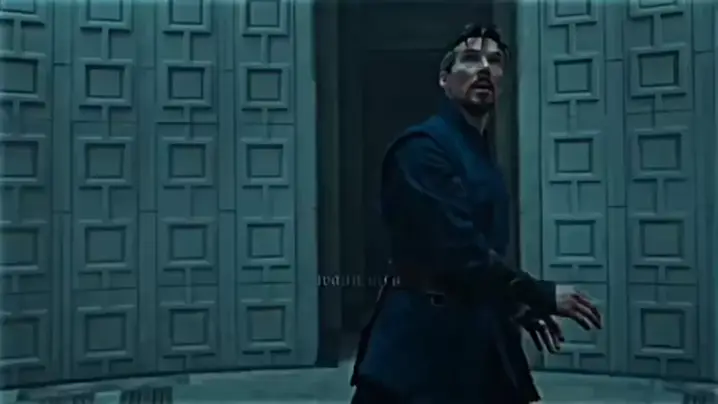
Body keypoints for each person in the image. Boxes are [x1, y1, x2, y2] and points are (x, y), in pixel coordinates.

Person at [349, 23, 603, 404]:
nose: (484, 68)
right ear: (444, 79)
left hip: (476, 338)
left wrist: (515, 305)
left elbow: (480, 255)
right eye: (470, 59)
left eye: (494, 61)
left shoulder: (477, 153)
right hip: (420, 348)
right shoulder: (421, 149)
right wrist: (539, 293)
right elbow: (457, 251)